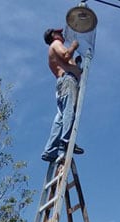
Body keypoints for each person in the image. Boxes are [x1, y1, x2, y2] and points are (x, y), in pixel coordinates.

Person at [41, 27, 85, 162]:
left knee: (60, 118)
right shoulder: (56, 44)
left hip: (62, 83)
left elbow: (66, 62)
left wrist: (77, 64)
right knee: (68, 112)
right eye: (59, 33)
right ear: (54, 35)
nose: (62, 34)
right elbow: (66, 55)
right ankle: (65, 142)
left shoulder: (52, 52)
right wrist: (74, 45)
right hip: (67, 81)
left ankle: (50, 150)